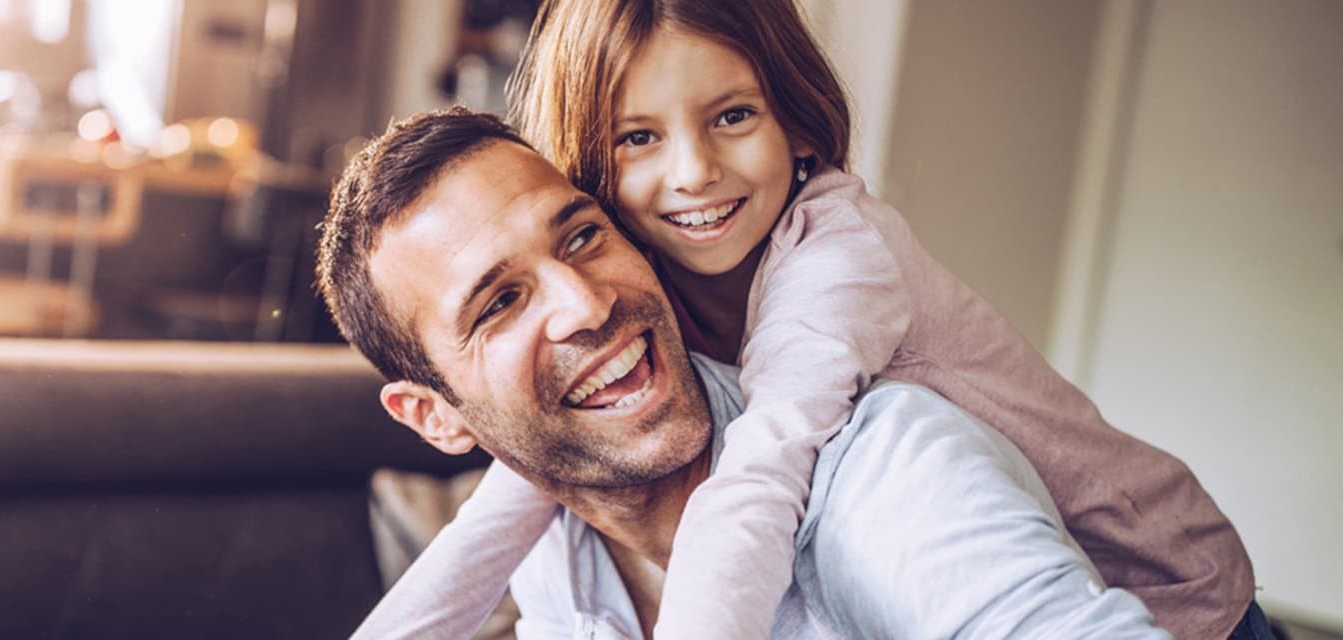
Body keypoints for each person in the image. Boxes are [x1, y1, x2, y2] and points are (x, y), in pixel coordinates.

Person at [354, 1, 1264, 637]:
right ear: (594, 166)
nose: (694, 173)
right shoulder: (627, 296)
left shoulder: (839, 262)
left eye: (733, 116)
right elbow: (509, 500)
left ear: (797, 124)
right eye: (640, 138)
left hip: (1171, 586)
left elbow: (758, 481)